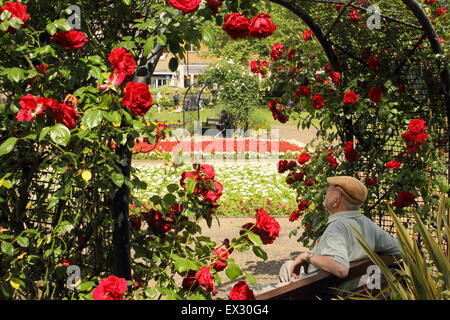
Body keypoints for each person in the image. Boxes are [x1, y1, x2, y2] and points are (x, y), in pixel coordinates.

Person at [251, 176, 401, 296]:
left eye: (328, 190)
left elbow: (341, 269)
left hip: (321, 289)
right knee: (287, 267)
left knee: (249, 293)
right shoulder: (367, 223)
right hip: (357, 287)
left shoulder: (337, 227)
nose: (325, 193)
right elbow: (400, 249)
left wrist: (306, 256)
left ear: (336, 201)